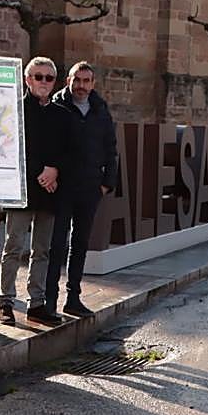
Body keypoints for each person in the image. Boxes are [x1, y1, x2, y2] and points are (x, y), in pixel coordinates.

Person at [45, 61, 118, 318]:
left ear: (93, 84)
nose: (81, 86)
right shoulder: (57, 106)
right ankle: (49, 300)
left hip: (90, 188)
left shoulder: (100, 109)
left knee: (80, 243)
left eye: (86, 81)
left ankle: (73, 298)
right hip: (62, 188)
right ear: (68, 81)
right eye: (77, 80)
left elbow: (110, 148)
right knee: (56, 245)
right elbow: (48, 144)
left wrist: (106, 183)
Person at [0, 56, 66, 327]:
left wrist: (55, 170)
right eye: (38, 77)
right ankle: (6, 301)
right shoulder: (15, 110)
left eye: (49, 78)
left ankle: (36, 304)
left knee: (42, 251)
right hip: (22, 189)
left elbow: (67, 150)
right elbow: (10, 147)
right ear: (28, 79)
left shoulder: (61, 114)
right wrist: (43, 172)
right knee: (13, 247)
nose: (44, 82)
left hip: (50, 191)